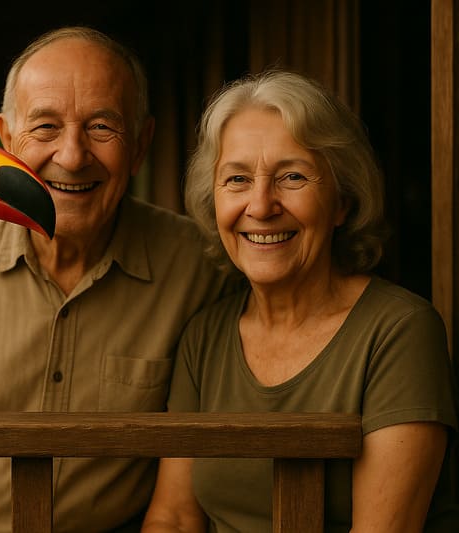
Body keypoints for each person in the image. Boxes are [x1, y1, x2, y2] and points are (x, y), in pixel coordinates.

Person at [0, 26, 234, 533]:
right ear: (7, 140)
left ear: (142, 143)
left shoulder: (199, 269)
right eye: (45, 128)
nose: (72, 155)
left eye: (102, 127)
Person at [141, 69, 459, 532]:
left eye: (292, 176)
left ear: (342, 203)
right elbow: (173, 518)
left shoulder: (400, 330)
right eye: (237, 179)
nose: (262, 205)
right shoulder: (204, 336)